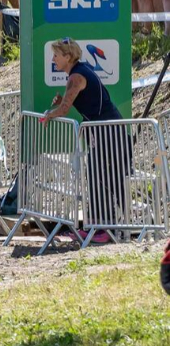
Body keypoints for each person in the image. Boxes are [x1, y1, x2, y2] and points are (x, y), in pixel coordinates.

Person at [41, 37, 127, 244]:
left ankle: (106, 226)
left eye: (56, 55)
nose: (53, 60)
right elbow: (76, 101)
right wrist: (61, 102)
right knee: (96, 176)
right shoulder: (78, 72)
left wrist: (48, 115)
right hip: (103, 129)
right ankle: (98, 225)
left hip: (107, 130)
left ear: (68, 57)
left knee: (103, 177)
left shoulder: (76, 76)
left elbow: (64, 110)